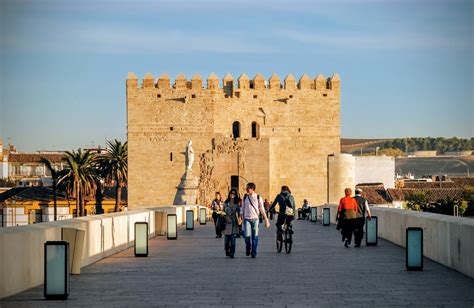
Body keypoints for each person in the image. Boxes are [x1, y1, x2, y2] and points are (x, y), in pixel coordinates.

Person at [242, 183, 270, 258]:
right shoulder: (245, 197)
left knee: (255, 236)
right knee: (246, 236)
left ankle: (253, 252)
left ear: (252, 189)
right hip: (246, 219)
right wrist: (240, 217)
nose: (246, 189)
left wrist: (266, 220)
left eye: (248, 188)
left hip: (255, 219)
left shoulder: (258, 197)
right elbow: (243, 208)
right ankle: (248, 246)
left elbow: (262, 209)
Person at [223, 189, 241, 258]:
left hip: (234, 223)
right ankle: (227, 250)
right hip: (227, 222)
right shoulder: (226, 202)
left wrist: (240, 219)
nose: (232, 195)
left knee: (233, 239)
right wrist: (224, 216)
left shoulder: (237, 204)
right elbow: (223, 211)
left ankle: (232, 252)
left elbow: (239, 213)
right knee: (226, 240)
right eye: (231, 193)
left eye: (233, 194)